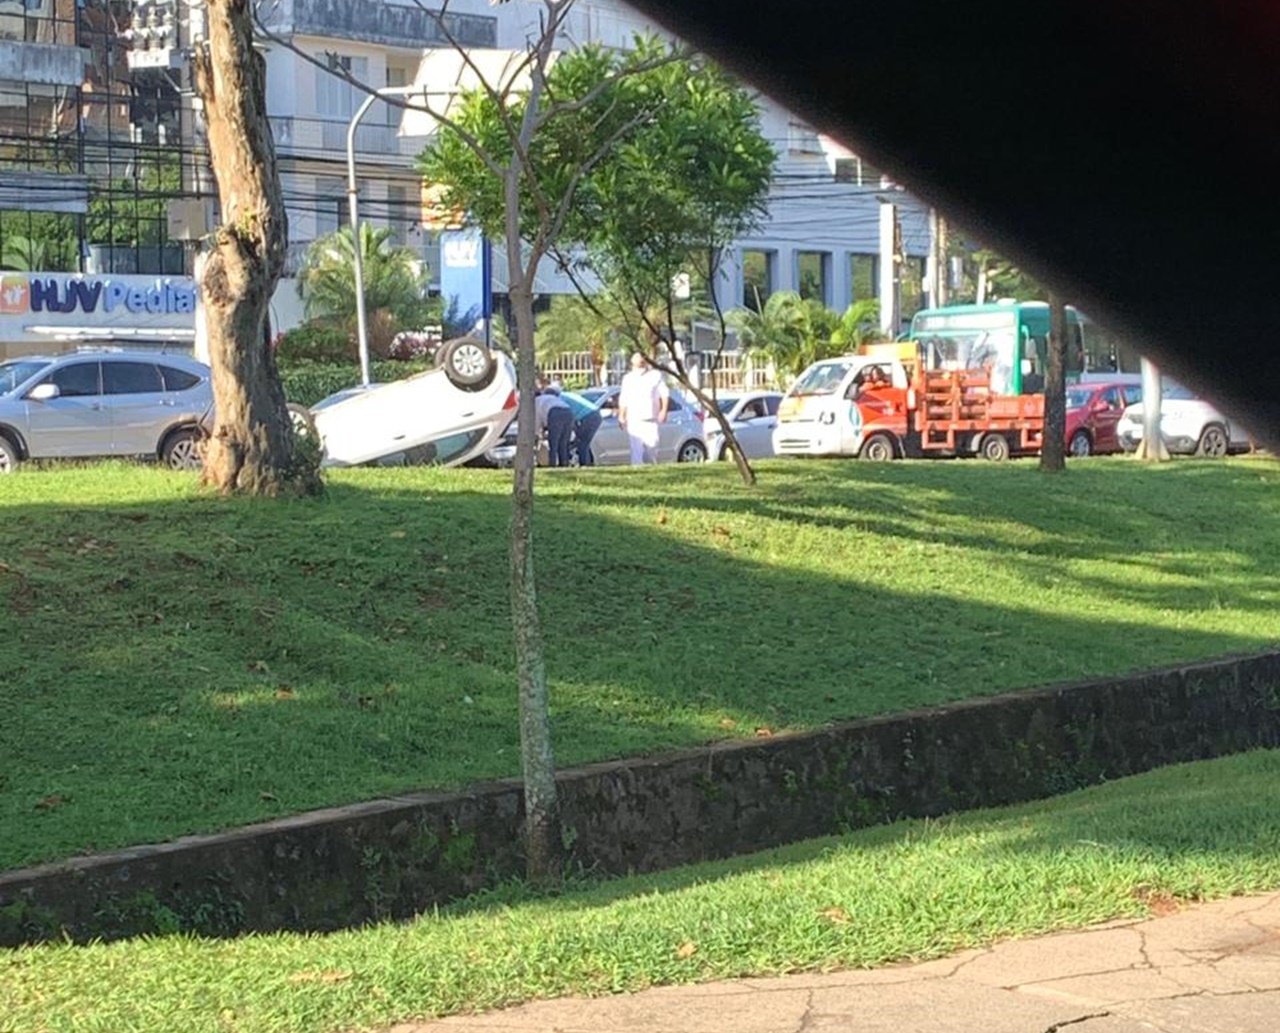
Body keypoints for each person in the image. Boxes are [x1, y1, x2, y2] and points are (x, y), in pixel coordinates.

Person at [617, 351, 669, 464]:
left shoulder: (655, 375)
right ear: (632, 363)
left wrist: (663, 411)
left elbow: (664, 394)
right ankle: (637, 472)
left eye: (641, 359)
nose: (640, 362)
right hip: (634, 419)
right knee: (636, 452)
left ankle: (652, 471)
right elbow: (624, 398)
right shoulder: (628, 379)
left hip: (651, 419)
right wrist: (621, 416)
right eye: (637, 360)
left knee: (652, 449)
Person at [534, 380, 574, 467]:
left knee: (553, 443)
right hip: (568, 411)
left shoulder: (536, 401)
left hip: (555, 413)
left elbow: (537, 420)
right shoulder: (550, 397)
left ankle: (552, 465)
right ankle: (564, 465)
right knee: (564, 443)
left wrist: (537, 434)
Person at [562, 390, 603, 466]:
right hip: (593, 414)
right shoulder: (567, 394)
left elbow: (570, 417)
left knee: (582, 443)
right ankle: (587, 463)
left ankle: (585, 465)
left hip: (589, 416)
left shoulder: (561, 399)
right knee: (583, 443)